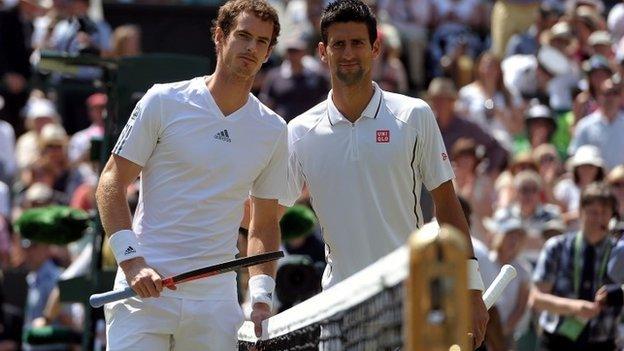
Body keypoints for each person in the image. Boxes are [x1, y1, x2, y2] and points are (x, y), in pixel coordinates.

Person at [282, 0, 488, 347]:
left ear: (375, 47)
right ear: (323, 52)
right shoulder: (299, 131)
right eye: (339, 44)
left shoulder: (414, 114)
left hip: (407, 300)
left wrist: (471, 287)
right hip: (337, 305)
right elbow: (269, 213)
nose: (348, 53)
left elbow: (447, 205)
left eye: (358, 43)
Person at [95, 1, 287, 349]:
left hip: (215, 303)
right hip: (142, 293)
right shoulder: (163, 100)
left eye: (262, 41)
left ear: (269, 51)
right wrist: (132, 261)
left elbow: (264, 224)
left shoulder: (273, 130)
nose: (251, 48)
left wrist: (260, 298)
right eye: (243, 36)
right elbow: (111, 181)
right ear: (219, 37)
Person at [531, 182, 624, 351]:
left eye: (604, 213)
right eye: (593, 212)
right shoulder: (557, 247)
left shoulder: (619, 251)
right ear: (580, 212)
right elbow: (536, 298)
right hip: (558, 340)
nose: (599, 219)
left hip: (602, 341)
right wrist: (574, 308)